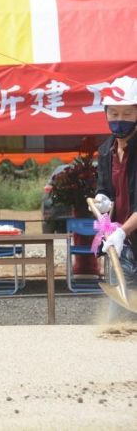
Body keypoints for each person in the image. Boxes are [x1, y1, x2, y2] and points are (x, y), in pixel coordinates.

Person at [92, 75, 137, 322]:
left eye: (127, 113)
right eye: (114, 113)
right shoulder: (106, 150)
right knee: (121, 305)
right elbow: (105, 188)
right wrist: (103, 199)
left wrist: (123, 231)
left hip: (127, 233)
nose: (120, 120)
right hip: (122, 239)